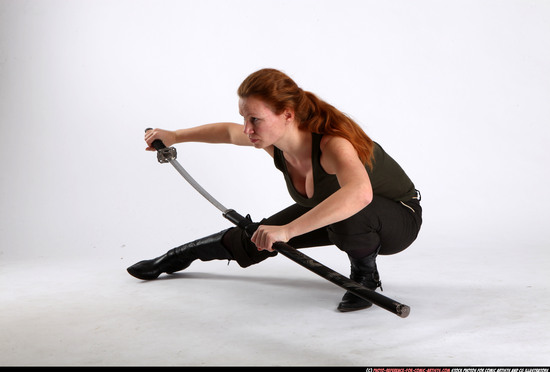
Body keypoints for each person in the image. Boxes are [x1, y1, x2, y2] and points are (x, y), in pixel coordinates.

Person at [127, 68, 422, 312]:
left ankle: (364, 278)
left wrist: (289, 230)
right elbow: (229, 133)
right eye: (245, 118)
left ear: (288, 115)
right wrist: (175, 135)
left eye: (255, 119)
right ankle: (173, 258)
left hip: (397, 219)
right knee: (257, 236)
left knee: (348, 212)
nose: (247, 128)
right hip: (341, 213)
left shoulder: (333, 144)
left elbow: (360, 194)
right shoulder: (275, 143)